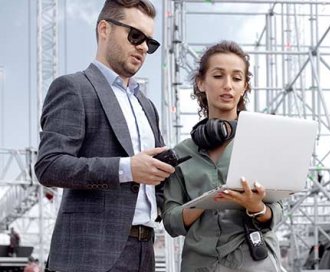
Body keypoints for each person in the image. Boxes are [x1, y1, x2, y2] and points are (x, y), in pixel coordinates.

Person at [34, 0, 175, 271]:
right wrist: (127, 169)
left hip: (144, 254)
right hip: (89, 255)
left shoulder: (147, 106)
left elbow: (154, 179)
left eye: (150, 42)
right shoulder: (73, 88)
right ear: (104, 29)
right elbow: (49, 166)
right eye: (136, 36)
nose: (144, 47)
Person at [162, 41, 283, 272]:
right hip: (199, 264)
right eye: (218, 76)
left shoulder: (261, 140)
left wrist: (257, 207)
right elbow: (171, 221)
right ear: (200, 82)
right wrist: (206, 202)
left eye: (237, 78)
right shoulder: (181, 153)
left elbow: (277, 210)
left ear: (244, 86)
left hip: (253, 261)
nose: (227, 85)